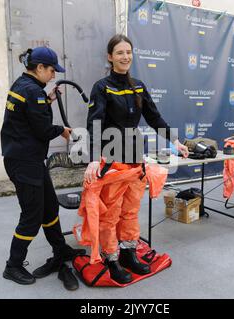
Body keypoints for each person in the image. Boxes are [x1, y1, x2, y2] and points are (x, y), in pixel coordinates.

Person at [85, 34, 189, 284]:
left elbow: (154, 117)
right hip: (112, 162)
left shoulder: (139, 86)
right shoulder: (102, 87)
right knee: (110, 214)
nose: (125, 57)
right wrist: (91, 159)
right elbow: (94, 125)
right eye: (120, 52)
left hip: (135, 160)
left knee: (130, 212)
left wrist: (175, 142)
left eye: (128, 52)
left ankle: (129, 253)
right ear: (110, 57)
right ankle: (111, 258)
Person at [0, 46, 85, 290]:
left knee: (49, 208)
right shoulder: (33, 93)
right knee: (32, 215)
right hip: (25, 162)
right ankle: (13, 265)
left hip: (27, 160)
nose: (53, 75)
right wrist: (63, 131)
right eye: (51, 70)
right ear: (39, 68)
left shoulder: (23, 86)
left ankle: (61, 249)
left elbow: (30, 117)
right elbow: (44, 130)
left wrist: (47, 100)